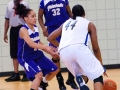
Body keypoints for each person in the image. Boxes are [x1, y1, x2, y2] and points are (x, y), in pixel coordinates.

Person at [47, 4, 108, 90]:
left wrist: (61, 45)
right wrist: (100, 65)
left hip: (64, 52)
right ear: (84, 14)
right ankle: (81, 80)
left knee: (81, 74)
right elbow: (96, 48)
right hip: (79, 49)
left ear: (72, 14)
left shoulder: (65, 23)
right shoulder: (89, 24)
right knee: (97, 77)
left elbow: (50, 38)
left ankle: (81, 81)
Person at [14, 3, 59, 90]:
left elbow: (38, 42)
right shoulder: (23, 30)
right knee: (38, 75)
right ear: (26, 19)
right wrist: (46, 48)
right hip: (26, 57)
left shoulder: (35, 27)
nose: (35, 18)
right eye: (33, 16)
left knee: (55, 70)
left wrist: (50, 50)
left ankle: (43, 84)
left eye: (35, 16)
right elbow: (31, 44)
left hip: (37, 55)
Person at [38, 0, 79, 90]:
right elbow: (40, 17)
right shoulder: (44, 2)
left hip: (66, 29)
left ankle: (71, 79)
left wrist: (76, 23)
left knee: (71, 53)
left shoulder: (64, 0)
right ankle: (60, 82)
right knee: (56, 55)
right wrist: (43, 28)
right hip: (52, 31)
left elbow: (70, 13)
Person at [4, 0, 29, 82]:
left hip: (22, 28)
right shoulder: (9, 4)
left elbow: (29, 18)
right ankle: (16, 73)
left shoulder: (25, 4)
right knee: (14, 52)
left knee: (24, 51)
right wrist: (5, 33)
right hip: (13, 30)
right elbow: (7, 20)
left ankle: (26, 73)